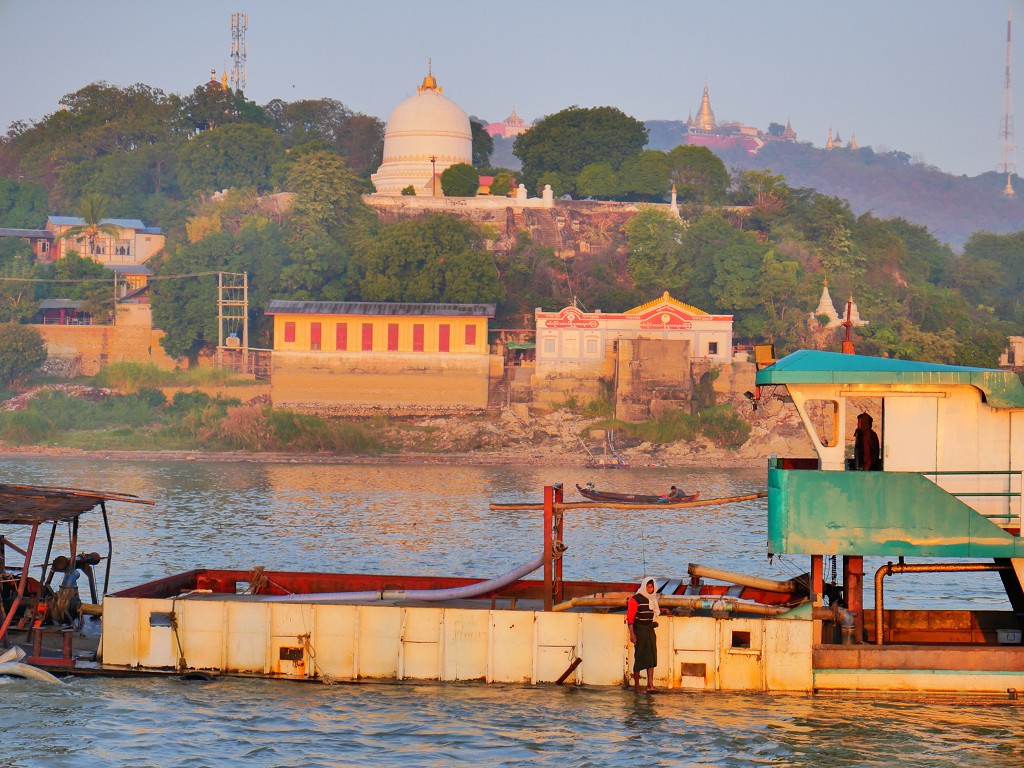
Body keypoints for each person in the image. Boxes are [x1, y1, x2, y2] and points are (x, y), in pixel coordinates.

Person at [626, 577, 660, 692]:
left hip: (649, 630)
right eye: (648, 586)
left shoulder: (653, 599)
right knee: (639, 657)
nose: (650, 589)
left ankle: (650, 684)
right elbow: (630, 619)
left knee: (651, 657)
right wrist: (632, 634)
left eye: (652, 587)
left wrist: (664, 610)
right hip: (639, 630)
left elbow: (654, 612)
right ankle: (637, 685)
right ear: (644, 586)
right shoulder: (635, 600)